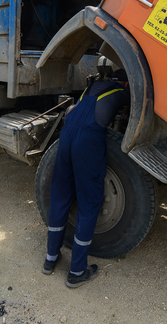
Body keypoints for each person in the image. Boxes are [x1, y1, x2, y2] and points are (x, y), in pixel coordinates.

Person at [43, 69, 130, 288]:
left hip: (67, 135)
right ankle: (77, 271)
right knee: (90, 201)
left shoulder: (92, 87)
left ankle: (50, 259)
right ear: (126, 83)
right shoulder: (122, 91)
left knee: (60, 194)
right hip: (88, 140)